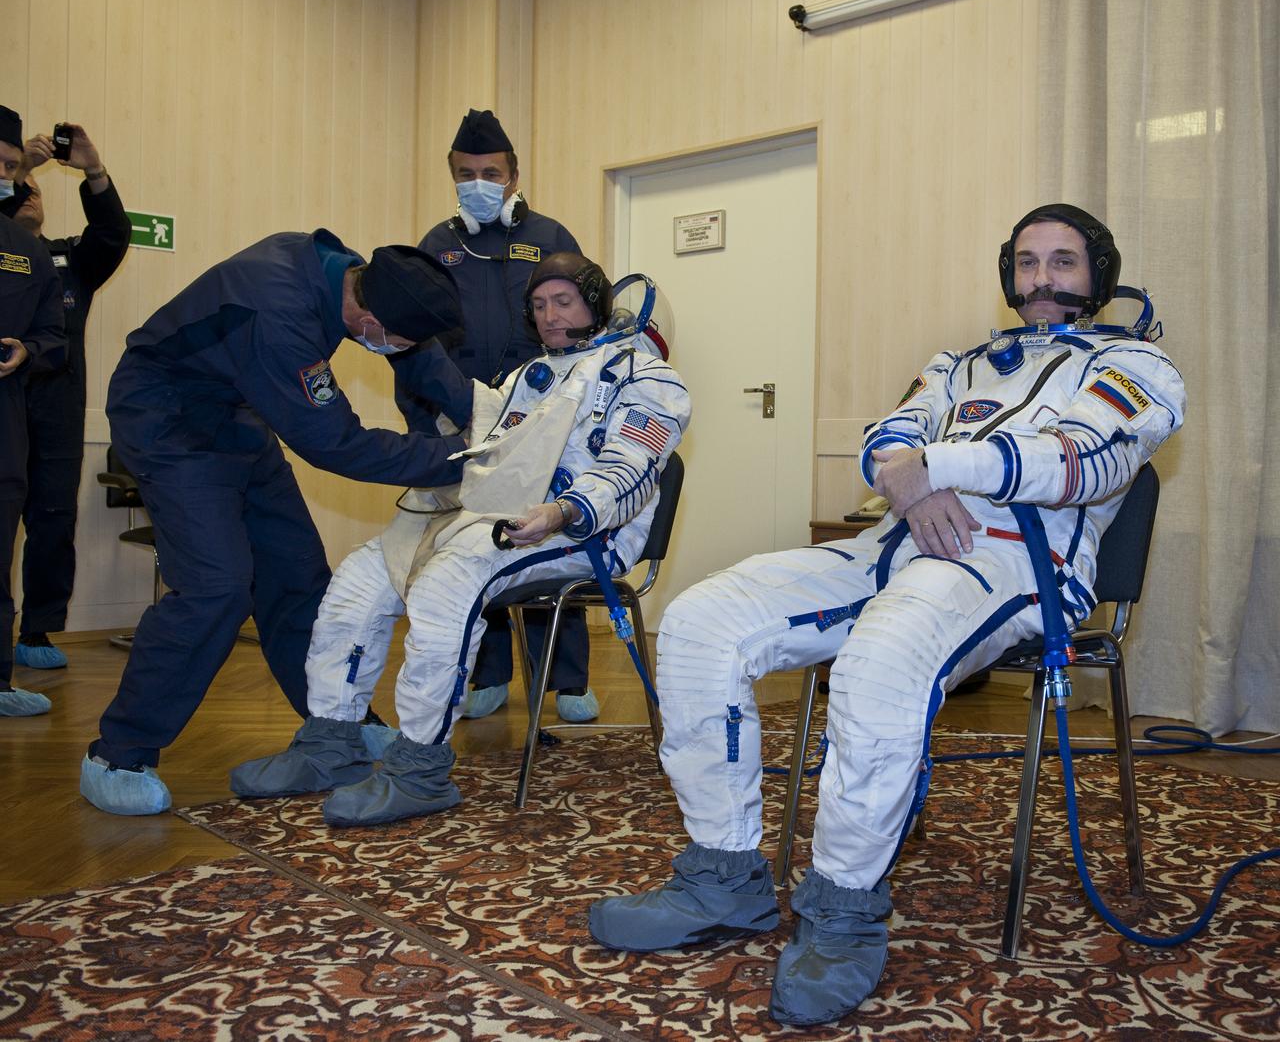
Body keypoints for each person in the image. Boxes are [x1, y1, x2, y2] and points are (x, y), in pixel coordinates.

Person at [588, 205, 1187, 1027]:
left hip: (1017, 561)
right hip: (894, 540)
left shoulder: (1137, 367)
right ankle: (722, 874)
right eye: (1026, 261)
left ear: (1099, 273)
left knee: (880, 656)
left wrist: (929, 464)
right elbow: (888, 434)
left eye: (1063, 261)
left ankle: (842, 908)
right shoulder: (960, 361)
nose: (1041, 278)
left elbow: (1073, 462)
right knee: (699, 621)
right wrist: (908, 474)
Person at [230, 252, 691, 829]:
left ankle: (420, 768)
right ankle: (330, 741)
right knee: (360, 578)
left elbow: (630, 469)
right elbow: (492, 436)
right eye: (541, 304)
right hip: (501, 516)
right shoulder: (532, 376)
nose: (549, 316)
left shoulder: (649, 380)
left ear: (597, 306)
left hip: (588, 532)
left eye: (564, 301)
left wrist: (562, 510)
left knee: (448, 586)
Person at [80, 232, 473, 816]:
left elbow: (423, 356)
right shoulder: (278, 315)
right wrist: (460, 460)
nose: (397, 351)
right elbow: (335, 444)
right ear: (367, 318)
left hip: (238, 414)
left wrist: (488, 421)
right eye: (395, 341)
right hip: (168, 421)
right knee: (217, 587)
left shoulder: (348, 275)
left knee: (298, 575)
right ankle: (118, 753)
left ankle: (336, 722)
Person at [412, 108, 595, 724]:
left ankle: (566, 681)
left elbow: (579, 320)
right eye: (466, 174)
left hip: (542, 415)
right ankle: (489, 673)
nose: (478, 182)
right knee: (480, 540)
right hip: (467, 417)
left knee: (547, 538)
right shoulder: (439, 245)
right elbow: (418, 335)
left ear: (514, 177)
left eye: (490, 172)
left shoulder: (549, 235)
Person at [10, 123, 130, 670]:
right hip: (6, 407)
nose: (32, 192)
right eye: (21, 183)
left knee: (54, 519)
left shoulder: (68, 260)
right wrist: (21, 170)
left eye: (37, 188)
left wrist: (94, 170)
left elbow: (112, 234)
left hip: (57, 409)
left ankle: (36, 631)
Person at [0, 105, 67, 718]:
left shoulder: (28, 251)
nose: (4, 175)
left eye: (10, 166)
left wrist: (28, 350)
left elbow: (54, 335)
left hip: (5, 423)